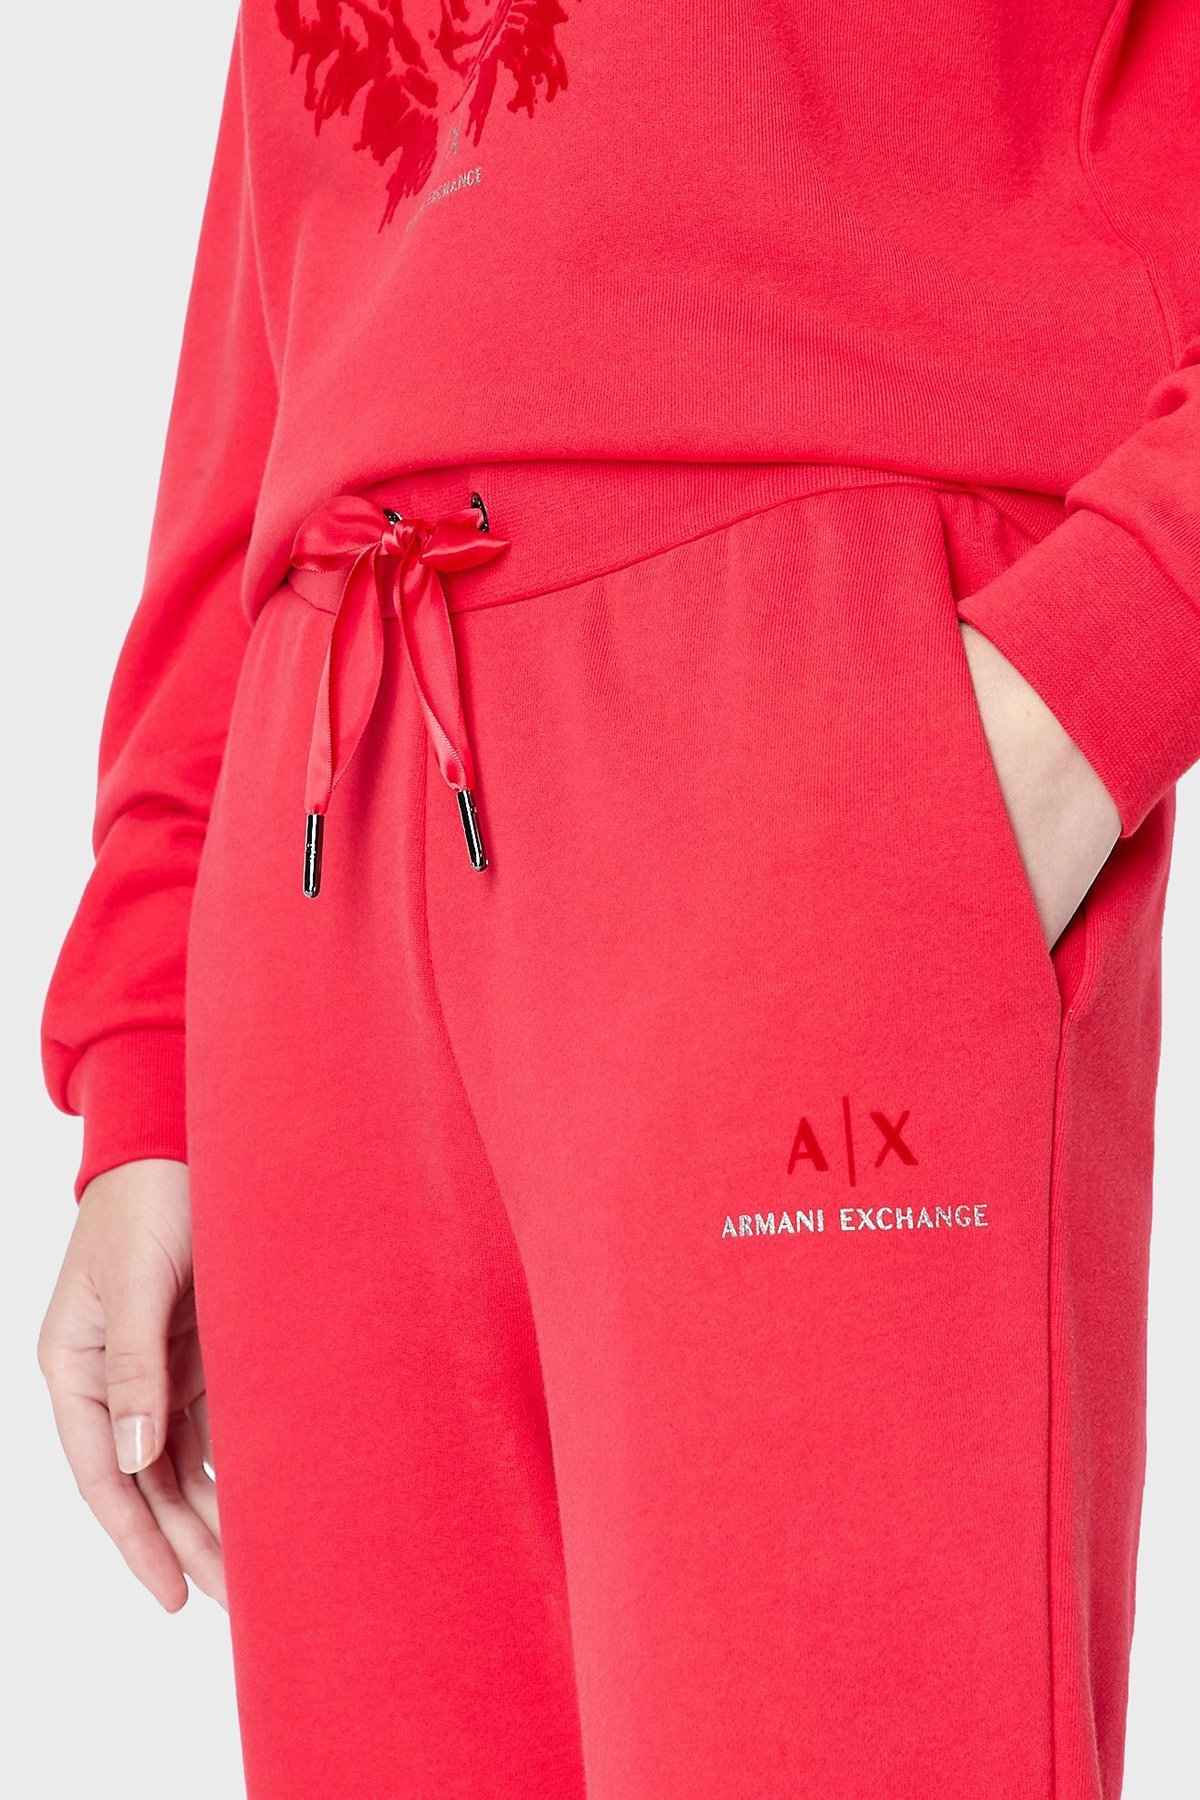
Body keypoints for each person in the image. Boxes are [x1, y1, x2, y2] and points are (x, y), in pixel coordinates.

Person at [35, 2, 1198, 1795]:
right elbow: (271, 328)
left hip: (803, 713)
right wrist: (148, 1068)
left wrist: (1084, 680)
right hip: (328, 803)